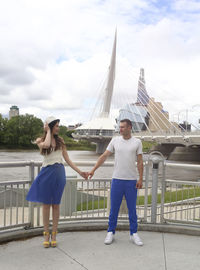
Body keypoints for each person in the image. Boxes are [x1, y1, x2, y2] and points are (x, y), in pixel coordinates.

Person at [26, 116, 87, 248]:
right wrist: (47, 131)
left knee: (56, 205)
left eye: (59, 126)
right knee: (46, 205)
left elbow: (67, 159)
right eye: (57, 126)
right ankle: (46, 234)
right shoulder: (40, 140)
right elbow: (47, 145)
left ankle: (54, 234)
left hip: (59, 173)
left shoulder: (61, 141)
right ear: (50, 126)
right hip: (46, 174)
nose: (59, 128)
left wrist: (80, 171)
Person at [88, 119, 144, 246]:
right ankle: (110, 232)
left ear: (130, 127)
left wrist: (140, 178)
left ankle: (133, 233)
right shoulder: (115, 140)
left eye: (123, 127)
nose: (121, 129)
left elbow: (140, 162)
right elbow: (104, 156)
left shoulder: (137, 142)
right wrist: (93, 170)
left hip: (131, 181)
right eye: (120, 127)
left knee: (132, 209)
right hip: (117, 179)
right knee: (114, 209)